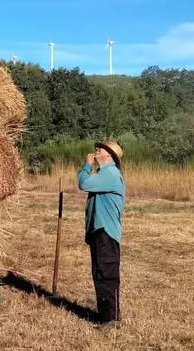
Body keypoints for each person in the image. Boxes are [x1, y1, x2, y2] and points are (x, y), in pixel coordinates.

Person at [76, 140, 125, 327]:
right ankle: (106, 315)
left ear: (110, 155)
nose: (97, 150)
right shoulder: (105, 173)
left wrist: (86, 166)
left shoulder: (109, 173)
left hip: (105, 232)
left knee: (106, 274)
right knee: (101, 273)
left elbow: (83, 183)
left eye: (101, 148)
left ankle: (110, 319)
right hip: (101, 231)